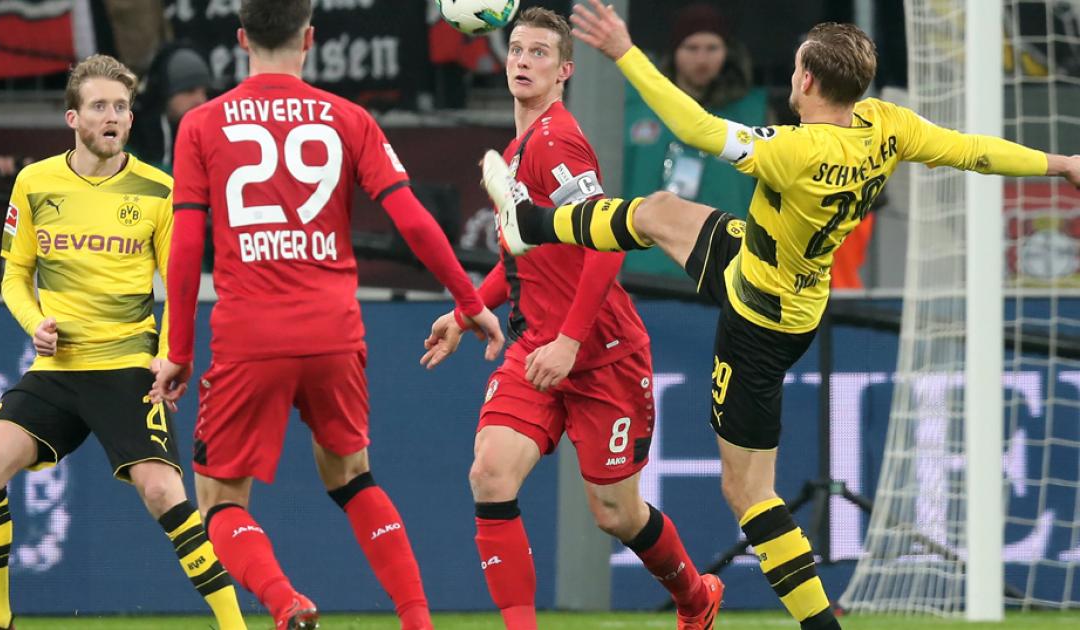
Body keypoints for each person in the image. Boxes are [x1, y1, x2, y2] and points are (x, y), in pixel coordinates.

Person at [484, 2, 1080, 628]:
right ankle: (533, 224)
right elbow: (972, 151)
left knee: (749, 493)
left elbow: (696, 128)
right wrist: (1062, 163)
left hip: (759, 323)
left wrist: (626, 53)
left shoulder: (794, 149)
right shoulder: (888, 126)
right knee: (660, 211)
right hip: (765, 267)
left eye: (796, 68)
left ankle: (820, 625)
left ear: (807, 80)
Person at [149, 1, 505, 629]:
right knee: (352, 477)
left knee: (219, 502)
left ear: (241, 39)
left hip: (250, 335)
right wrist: (469, 301)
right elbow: (412, 219)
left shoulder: (201, 124)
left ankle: (286, 603)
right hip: (334, 331)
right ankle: (418, 622)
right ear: (310, 38)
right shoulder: (348, 118)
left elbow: (184, 247)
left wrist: (178, 350)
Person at [421, 8, 721, 630]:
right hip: (536, 346)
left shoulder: (556, 142)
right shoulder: (516, 149)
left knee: (616, 514)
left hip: (600, 353)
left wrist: (569, 341)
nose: (523, 60)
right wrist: (467, 311)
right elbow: (523, 256)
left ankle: (696, 598)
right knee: (490, 474)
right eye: (517, 49)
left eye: (539, 52)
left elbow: (606, 242)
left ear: (565, 71)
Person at [0, 55, 245, 630]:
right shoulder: (35, 183)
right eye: (99, 106)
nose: (112, 116)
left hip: (127, 369)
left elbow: (180, 286)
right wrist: (33, 322)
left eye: (121, 106)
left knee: (164, 493)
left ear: (131, 118)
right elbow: (14, 275)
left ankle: (235, 626)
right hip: (57, 370)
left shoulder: (160, 191)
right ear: (73, 117)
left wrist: (169, 355)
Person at [621, 3, 768, 279]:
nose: (702, 59)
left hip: (725, 268)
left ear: (727, 52)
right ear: (674, 52)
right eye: (691, 48)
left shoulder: (754, 113)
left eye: (712, 48)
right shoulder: (633, 107)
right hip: (643, 269)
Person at [129, 43, 213, 174]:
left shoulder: (212, 135)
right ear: (164, 93)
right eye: (189, 90)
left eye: (205, 92)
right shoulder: (131, 137)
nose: (201, 100)